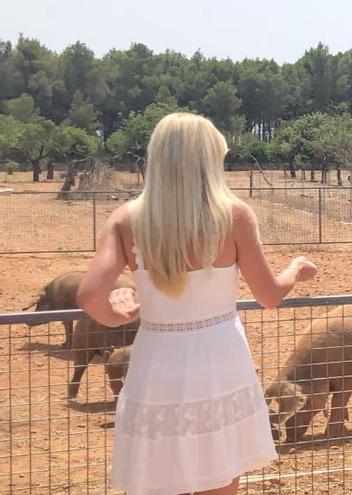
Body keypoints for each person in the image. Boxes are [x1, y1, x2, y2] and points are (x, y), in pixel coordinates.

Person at [77, 112, 317, 495]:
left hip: (156, 363)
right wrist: (297, 269)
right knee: (218, 478)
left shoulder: (125, 220)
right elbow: (269, 296)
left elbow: (90, 296)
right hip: (219, 362)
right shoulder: (233, 215)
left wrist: (116, 312)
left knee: (157, 480)